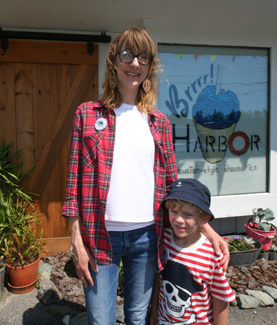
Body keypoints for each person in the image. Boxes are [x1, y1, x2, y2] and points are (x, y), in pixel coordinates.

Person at [62, 26, 230, 325]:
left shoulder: (159, 122)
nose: (135, 64)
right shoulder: (88, 114)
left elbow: (174, 190)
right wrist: (76, 240)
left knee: (138, 317)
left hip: (148, 237)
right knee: (100, 319)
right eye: (127, 55)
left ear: (150, 66)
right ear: (115, 61)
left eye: (143, 57)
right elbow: (73, 184)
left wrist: (208, 229)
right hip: (100, 236)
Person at [150, 178, 235, 325]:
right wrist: (153, 313)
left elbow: (221, 299)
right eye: (174, 211)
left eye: (188, 215)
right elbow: (159, 278)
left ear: (204, 218)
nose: (179, 220)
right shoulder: (165, 239)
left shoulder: (212, 255)